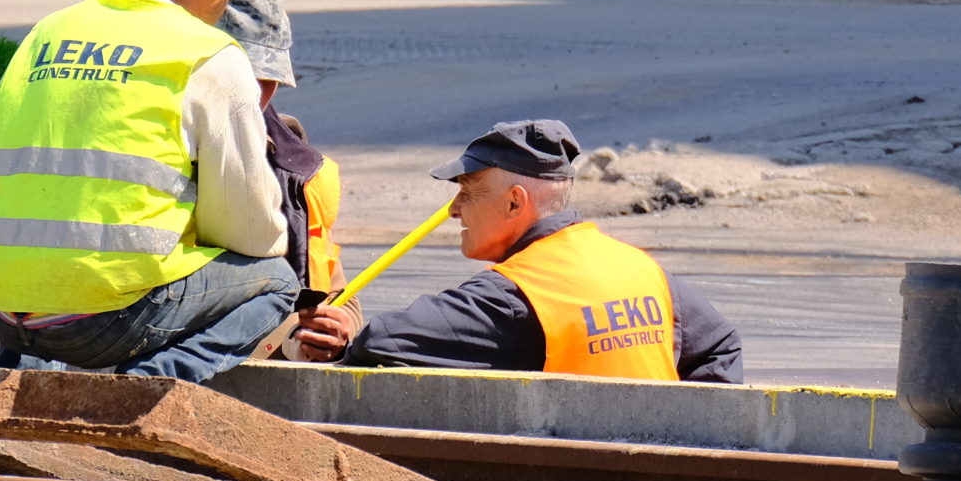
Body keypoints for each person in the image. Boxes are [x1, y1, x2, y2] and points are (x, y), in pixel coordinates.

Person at [0, 0, 294, 381]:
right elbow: (249, 230)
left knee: (57, 277)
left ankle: (21, 378)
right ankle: (144, 387)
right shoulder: (210, 54)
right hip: (107, 322)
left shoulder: (47, 32)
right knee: (277, 282)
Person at [295, 119, 742, 381]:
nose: (454, 210)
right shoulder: (643, 270)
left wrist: (346, 341)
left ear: (514, 202)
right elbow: (720, 345)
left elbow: (383, 342)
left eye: (467, 192)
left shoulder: (512, 296)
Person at [219, 0, 348, 298]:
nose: (255, 91)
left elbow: (337, 291)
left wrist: (340, 319)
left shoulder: (300, 172)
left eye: (268, 77)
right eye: (242, 75)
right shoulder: (158, 149)